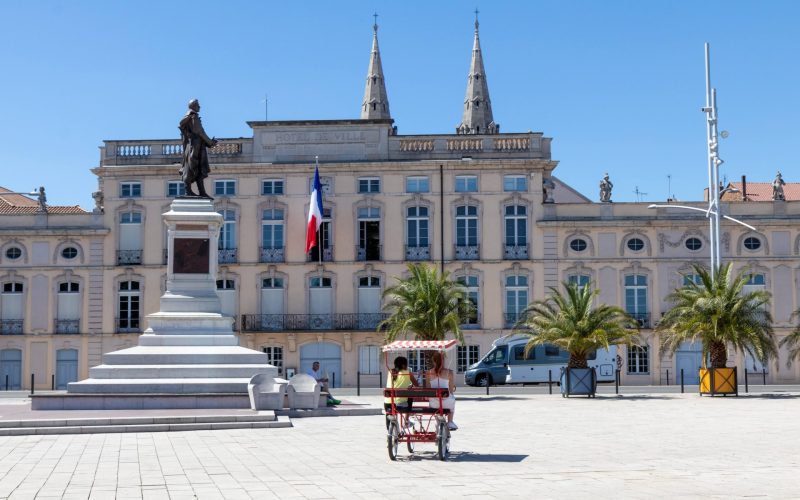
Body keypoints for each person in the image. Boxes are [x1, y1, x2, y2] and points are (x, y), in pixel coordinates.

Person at [179, 99, 217, 198]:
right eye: (198, 105)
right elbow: (200, 131)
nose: (200, 107)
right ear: (194, 106)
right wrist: (210, 142)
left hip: (194, 145)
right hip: (195, 146)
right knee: (193, 167)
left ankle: (201, 192)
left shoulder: (188, 117)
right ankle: (189, 191)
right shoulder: (193, 116)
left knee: (198, 168)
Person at [384, 356, 419, 429]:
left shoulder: (390, 372)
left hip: (387, 403)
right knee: (410, 395)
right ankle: (406, 421)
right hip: (400, 404)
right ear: (403, 365)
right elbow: (416, 385)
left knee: (389, 410)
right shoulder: (408, 373)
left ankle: (389, 431)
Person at [426, 351, 458, 430]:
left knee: (434, 399)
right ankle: (450, 421)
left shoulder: (428, 373)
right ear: (443, 360)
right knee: (452, 399)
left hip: (434, 404)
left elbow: (428, 389)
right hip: (447, 403)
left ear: (433, 361)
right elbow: (451, 390)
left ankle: (437, 420)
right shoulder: (449, 372)